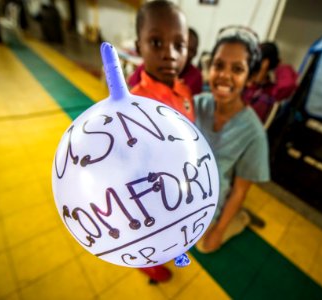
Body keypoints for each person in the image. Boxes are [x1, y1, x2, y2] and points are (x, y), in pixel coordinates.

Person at [130, 0, 193, 282]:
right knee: (150, 230)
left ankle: (174, 247)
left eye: (179, 45)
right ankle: (148, 264)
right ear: (138, 45)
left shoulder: (184, 90)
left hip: (179, 183)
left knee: (175, 225)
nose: (169, 54)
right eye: (156, 42)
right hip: (149, 191)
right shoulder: (134, 103)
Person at [194, 25, 270, 254]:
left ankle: (239, 218)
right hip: (182, 193)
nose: (224, 75)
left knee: (202, 247)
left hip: (208, 204)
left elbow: (239, 190)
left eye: (237, 69)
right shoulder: (197, 104)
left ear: (249, 78)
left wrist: (218, 231)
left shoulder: (253, 134)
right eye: (218, 65)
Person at [128, 27, 203, 96]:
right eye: (180, 47)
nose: (186, 55)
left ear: (196, 53)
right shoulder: (149, 67)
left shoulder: (195, 76)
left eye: (191, 50)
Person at [242, 41, 298, 124]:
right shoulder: (240, 84)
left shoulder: (270, 91)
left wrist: (278, 65)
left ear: (266, 63)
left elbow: (288, 85)